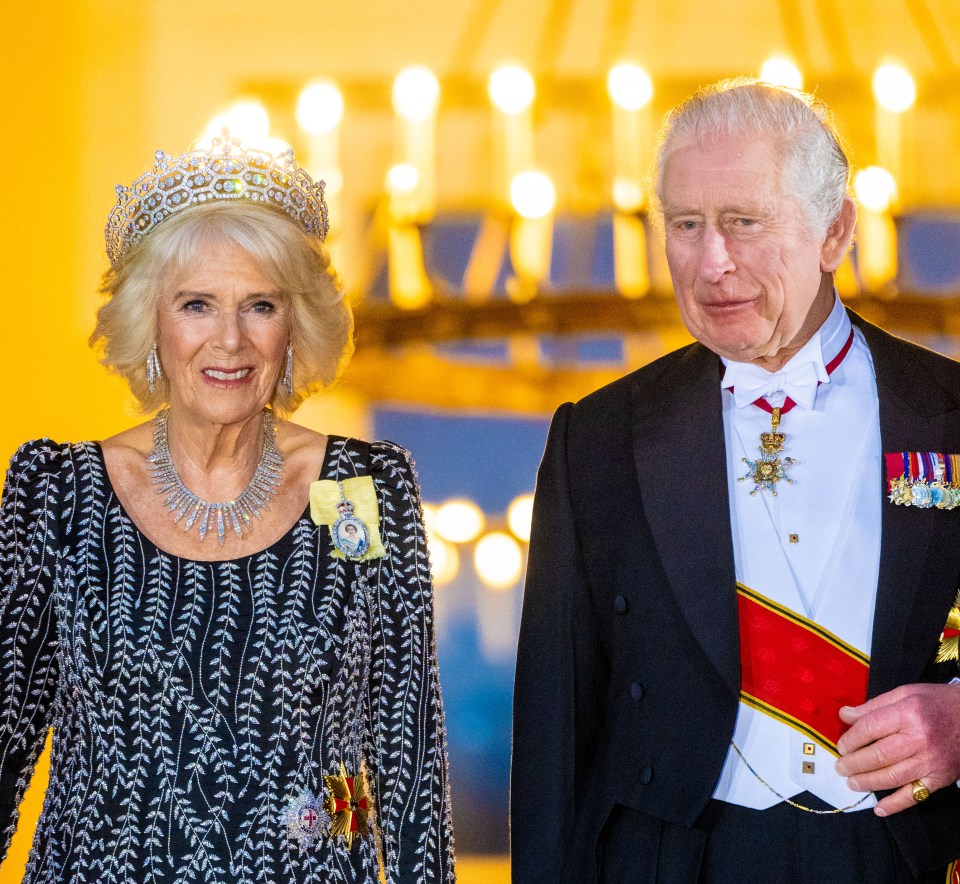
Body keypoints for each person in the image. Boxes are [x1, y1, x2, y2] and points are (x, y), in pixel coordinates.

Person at [511, 79, 960, 883]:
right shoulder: (600, 437)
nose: (713, 263)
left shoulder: (953, 415)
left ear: (836, 231)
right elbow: (555, 727)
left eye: (744, 223)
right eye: (686, 226)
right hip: (673, 859)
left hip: (899, 855)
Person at [0, 133, 455, 883]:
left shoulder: (359, 491)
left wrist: (334, 822)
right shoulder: (60, 494)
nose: (231, 340)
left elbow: (404, 771)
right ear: (152, 322)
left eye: (261, 305)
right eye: (198, 305)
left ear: (293, 324)